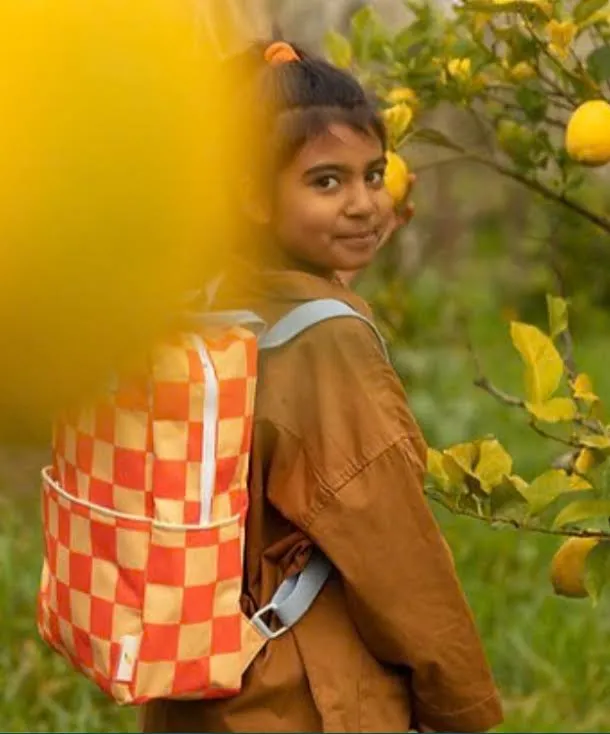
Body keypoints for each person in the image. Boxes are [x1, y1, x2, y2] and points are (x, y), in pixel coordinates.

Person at [143, 41, 504, 734]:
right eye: (328, 183)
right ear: (250, 195)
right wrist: (463, 708)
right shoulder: (326, 344)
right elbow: (396, 554)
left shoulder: (206, 306)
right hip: (308, 690)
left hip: (202, 679)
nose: (367, 204)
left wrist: (333, 220)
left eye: (374, 175)